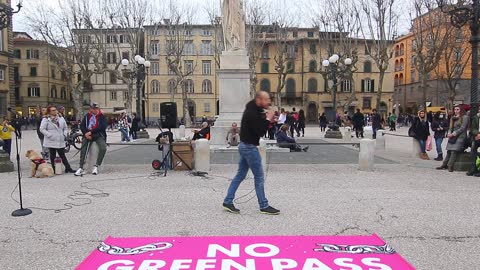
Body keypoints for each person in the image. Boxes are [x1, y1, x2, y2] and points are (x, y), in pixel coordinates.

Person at [223, 91, 280, 215]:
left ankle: (228, 201)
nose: (268, 102)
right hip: (249, 147)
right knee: (259, 177)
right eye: (266, 100)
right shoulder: (252, 112)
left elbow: (259, 126)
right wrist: (268, 120)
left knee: (240, 175)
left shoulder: (253, 110)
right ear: (259, 100)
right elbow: (259, 131)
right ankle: (264, 205)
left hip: (244, 146)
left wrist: (268, 120)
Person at [75, 102, 108, 176]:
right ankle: (81, 167)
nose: (95, 110)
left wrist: (91, 132)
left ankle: (96, 165)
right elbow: (82, 126)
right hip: (87, 135)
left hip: (98, 135)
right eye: (93, 108)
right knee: (84, 149)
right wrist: (86, 133)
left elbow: (102, 127)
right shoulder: (87, 116)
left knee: (103, 148)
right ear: (90, 109)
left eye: (96, 108)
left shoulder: (101, 117)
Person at [40, 105, 75, 174]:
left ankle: (68, 168)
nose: (55, 111)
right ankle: (53, 169)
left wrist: (65, 134)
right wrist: (49, 135)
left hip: (60, 139)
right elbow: (42, 129)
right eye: (53, 110)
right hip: (51, 139)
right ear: (49, 112)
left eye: (55, 110)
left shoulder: (60, 118)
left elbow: (65, 127)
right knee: (52, 155)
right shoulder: (46, 119)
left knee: (62, 155)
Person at [437, 106, 469, 172]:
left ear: (461, 110)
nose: (456, 111)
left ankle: (450, 165)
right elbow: (450, 127)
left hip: (460, 136)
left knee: (454, 151)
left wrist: (454, 134)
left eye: (458, 109)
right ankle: (444, 164)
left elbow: (463, 128)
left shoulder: (464, 117)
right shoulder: (453, 117)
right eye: (455, 109)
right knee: (449, 150)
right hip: (452, 136)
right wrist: (449, 133)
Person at [467, 107, 480, 176]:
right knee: (473, 153)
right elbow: (473, 128)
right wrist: (477, 133)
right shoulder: (476, 117)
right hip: (477, 137)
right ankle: (473, 169)